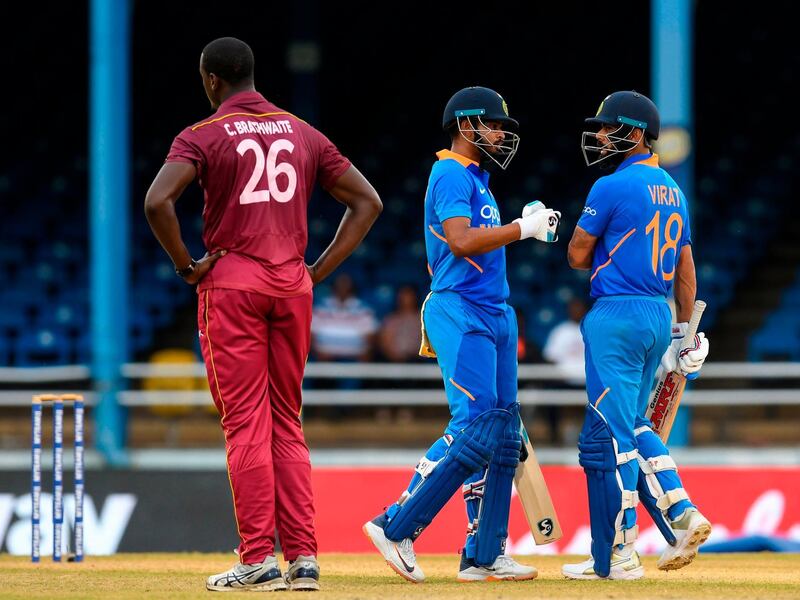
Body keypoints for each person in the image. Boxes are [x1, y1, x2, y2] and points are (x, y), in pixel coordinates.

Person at [144, 37, 381, 592]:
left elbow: (158, 201)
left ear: (210, 79)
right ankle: (303, 560)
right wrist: (316, 272)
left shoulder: (200, 135)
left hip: (233, 283)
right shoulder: (302, 131)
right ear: (251, 74)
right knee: (286, 422)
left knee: (245, 421)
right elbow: (367, 201)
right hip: (291, 283)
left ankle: (256, 559)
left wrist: (186, 266)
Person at [362, 86, 560, 583]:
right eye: (493, 125)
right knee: (474, 425)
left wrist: (522, 224)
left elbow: (482, 241)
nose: (499, 134)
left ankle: (485, 552)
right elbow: (460, 239)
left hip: (494, 310)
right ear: (467, 124)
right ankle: (396, 525)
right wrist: (523, 228)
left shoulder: (480, 180)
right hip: (460, 309)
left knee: (504, 432)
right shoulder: (449, 171)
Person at [562, 91, 710, 580]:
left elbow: (577, 255)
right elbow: (686, 269)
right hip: (657, 314)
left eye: (608, 129)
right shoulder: (674, 188)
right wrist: (686, 333)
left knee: (618, 433)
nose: (600, 136)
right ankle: (614, 548)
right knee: (631, 425)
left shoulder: (610, 186)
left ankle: (640, 542)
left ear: (633, 132)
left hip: (616, 314)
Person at [311, 273, 378, 364]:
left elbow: (371, 335)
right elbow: (311, 333)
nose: (343, 288)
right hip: (323, 353)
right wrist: (315, 350)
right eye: (340, 285)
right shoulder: (321, 306)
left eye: (346, 285)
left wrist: (366, 351)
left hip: (356, 353)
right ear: (334, 287)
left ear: (352, 287)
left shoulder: (363, 308)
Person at [542, 298, 588, 385]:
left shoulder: (593, 331)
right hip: (564, 383)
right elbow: (550, 357)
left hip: (590, 383)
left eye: (579, 308)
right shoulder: (561, 331)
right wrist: (559, 376)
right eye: (574, 308)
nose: (576, 311)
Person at [378, 284, 423, 363]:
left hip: (419, 362)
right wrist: (396, 357)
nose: (406, 299)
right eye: (403, 295)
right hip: (394, 363)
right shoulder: (391, 319)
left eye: (409, 295)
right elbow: (385, 345)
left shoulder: (423, 319)